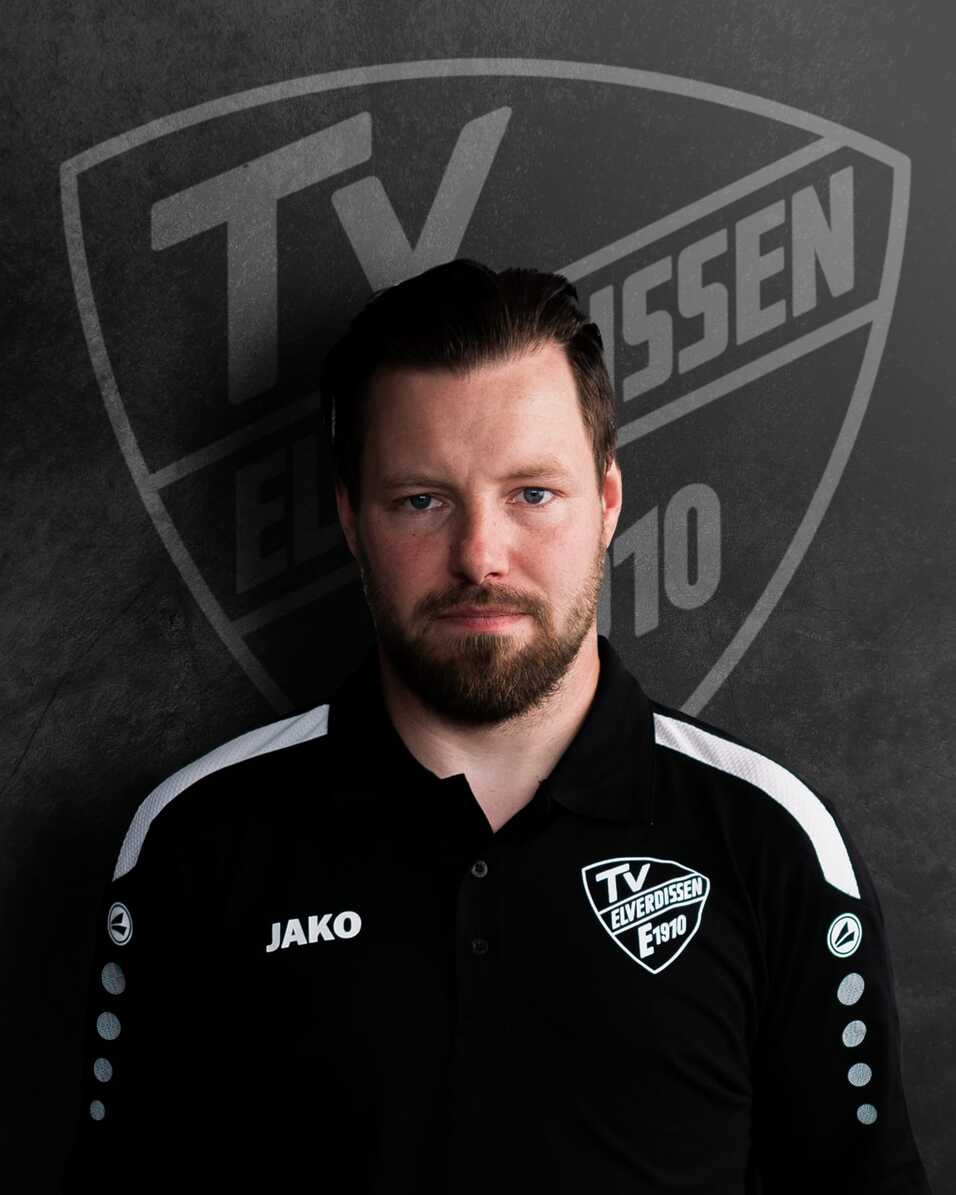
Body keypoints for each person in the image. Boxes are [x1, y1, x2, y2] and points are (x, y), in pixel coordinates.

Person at [61, 260, 931, 1193]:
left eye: (532, 493)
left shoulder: (772, 842)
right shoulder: (198, 839)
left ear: (607, 502)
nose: (480, 555)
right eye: (422, 501)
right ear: (352, 519)